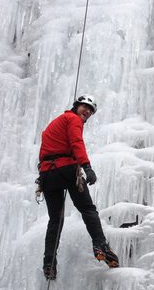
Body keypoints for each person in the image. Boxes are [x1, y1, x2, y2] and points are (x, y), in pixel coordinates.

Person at [38, 94, 119, 280]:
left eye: (90, 111)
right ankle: (100, 245)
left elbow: (46, 149)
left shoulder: (54, 124)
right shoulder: (73, 119)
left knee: (55, 220)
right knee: (88, 209)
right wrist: (87, 167)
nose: (87, 112)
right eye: (85, 108)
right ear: (76, 106)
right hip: (66, 170)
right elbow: (76, 142)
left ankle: (49, 262)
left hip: (47, 174)